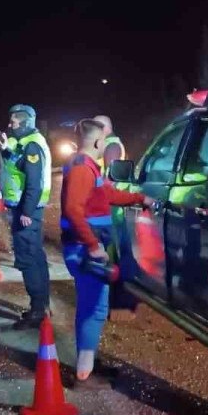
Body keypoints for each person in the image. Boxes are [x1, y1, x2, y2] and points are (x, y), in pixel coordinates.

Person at [61, 119, 153, 384]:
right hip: (84, 248)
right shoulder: (81, 168)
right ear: (99, 142)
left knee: (90, 305)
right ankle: (84, 369)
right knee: (95, 308)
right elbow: (73, 210)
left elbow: (106, 195)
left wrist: (139, 199)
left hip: (85, 245)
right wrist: (93, 246)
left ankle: (85, 360)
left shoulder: (88, 166)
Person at [0, 104, 52, 329]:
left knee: (28, 259)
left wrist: (27, 211)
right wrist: (5, 150)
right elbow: (19, 166)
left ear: (26, 122)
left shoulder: (31, 146)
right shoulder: (26, 145)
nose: (10, 125)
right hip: (25, 209)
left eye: (14, 122)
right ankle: (42, 306)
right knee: (36, 256)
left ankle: (38, 311)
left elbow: (34, 182)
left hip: (26, 211)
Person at [93, 114, 139, 317]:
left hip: (111, 210)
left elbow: (109, 181)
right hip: (111, 208)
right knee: (118, 253)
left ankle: (120, 300)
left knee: (116, 255)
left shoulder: (111, 147)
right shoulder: (109, 145)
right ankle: (120, 298)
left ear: (103, 128)